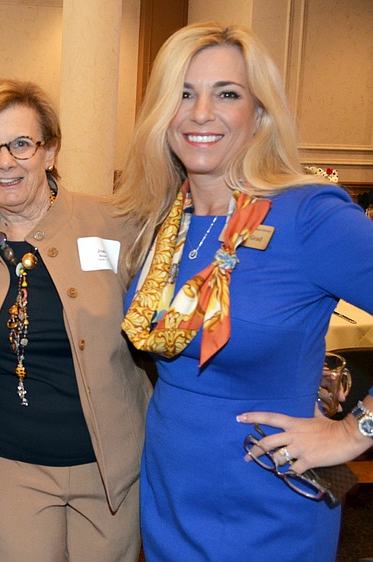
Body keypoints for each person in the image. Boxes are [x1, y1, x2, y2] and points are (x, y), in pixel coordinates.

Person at [116, 22, 373, 561]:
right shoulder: (161, 218)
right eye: (183, 93)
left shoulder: (309, 214)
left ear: (259, 113)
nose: (200, 113)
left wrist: (356, 430)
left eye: (226, 94)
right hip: (170, 494)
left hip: (268, 501)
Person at [0, 78, 151, 561]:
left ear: (49, 151)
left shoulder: (117, 222)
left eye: (21, 143)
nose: (4, 161)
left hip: (111, 468)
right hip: (8, 469)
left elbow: (160, 334)